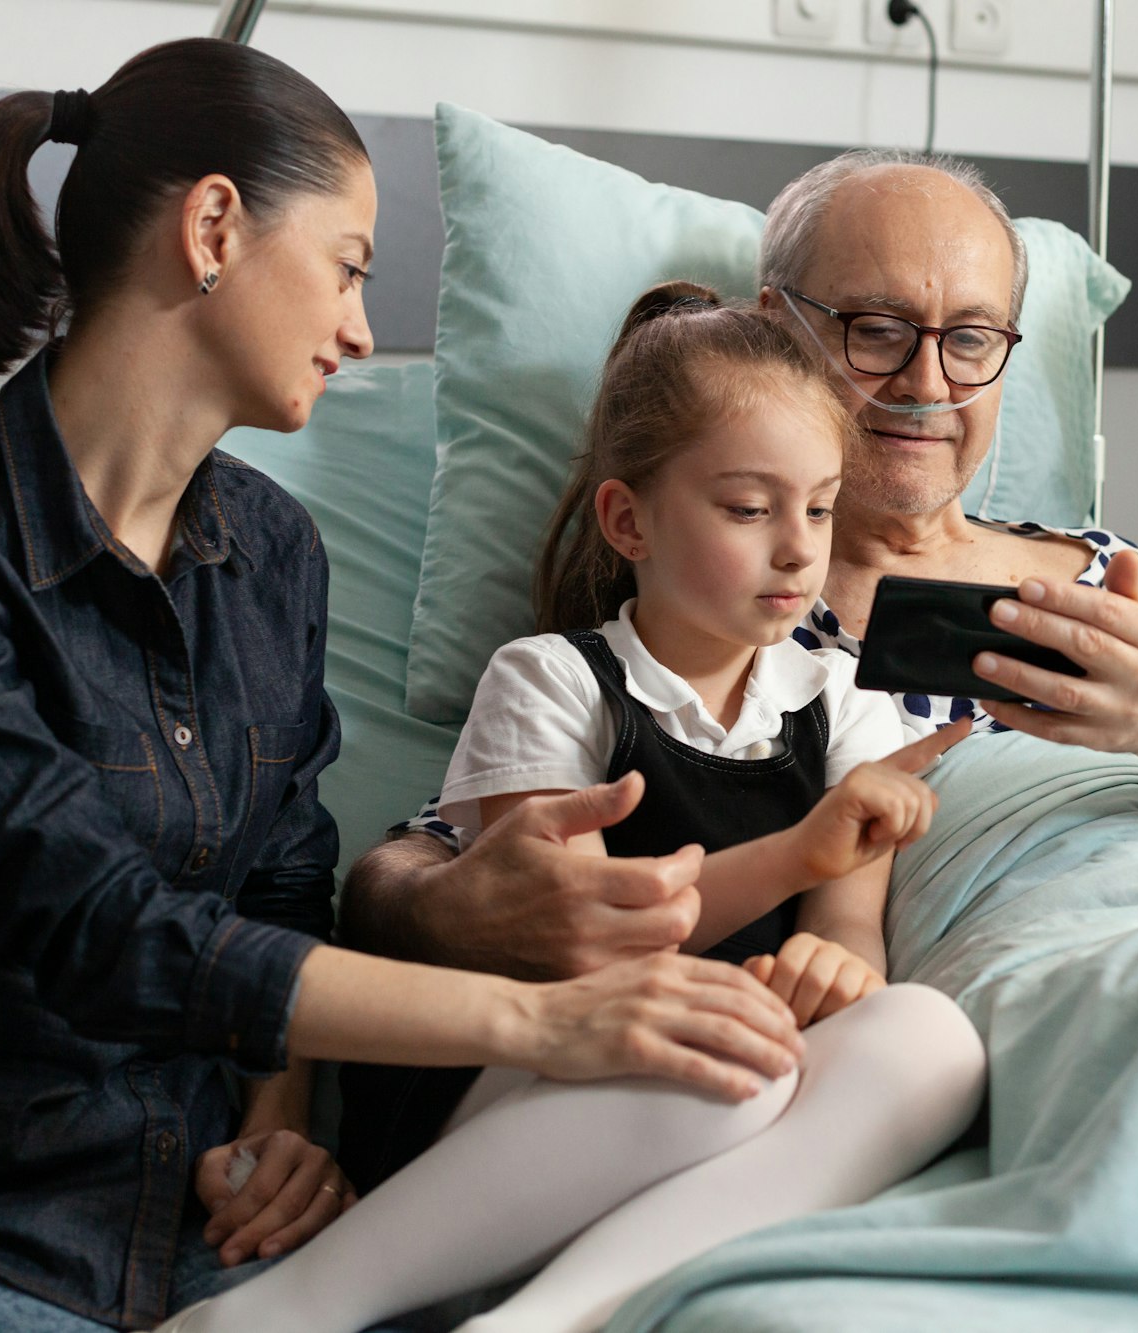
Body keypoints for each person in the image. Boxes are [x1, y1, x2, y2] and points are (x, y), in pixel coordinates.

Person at [0, 40, 811, 1333]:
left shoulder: (268, 550)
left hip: (209, 1229)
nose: (363, 329)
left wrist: (278, 1130)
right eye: (349, 267)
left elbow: (276, 878)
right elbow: (103, 930)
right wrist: (549, 1021)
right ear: (213, 228)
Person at [337, 150, 1138, 1182]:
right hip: (1036, 1016)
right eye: (877, 330)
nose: (927, 381)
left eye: (972, 337)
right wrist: (445, 909)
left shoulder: (1102, 573)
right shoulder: (712, 627)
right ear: (772, 327)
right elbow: (433, 871)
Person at [161, 282, 983, 1333]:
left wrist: (832, 968)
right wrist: (794, 856)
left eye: (819, 507)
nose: (795, 548)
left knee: (929, 1043)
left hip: (707, 1100)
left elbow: (846, 935)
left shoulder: (841, 701)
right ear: (627, 518)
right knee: (706, 1054)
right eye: (747, 508)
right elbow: (590, 950)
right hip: (517, 1081)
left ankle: (548, 1318)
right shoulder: (551, 681)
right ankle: (286, 1311)